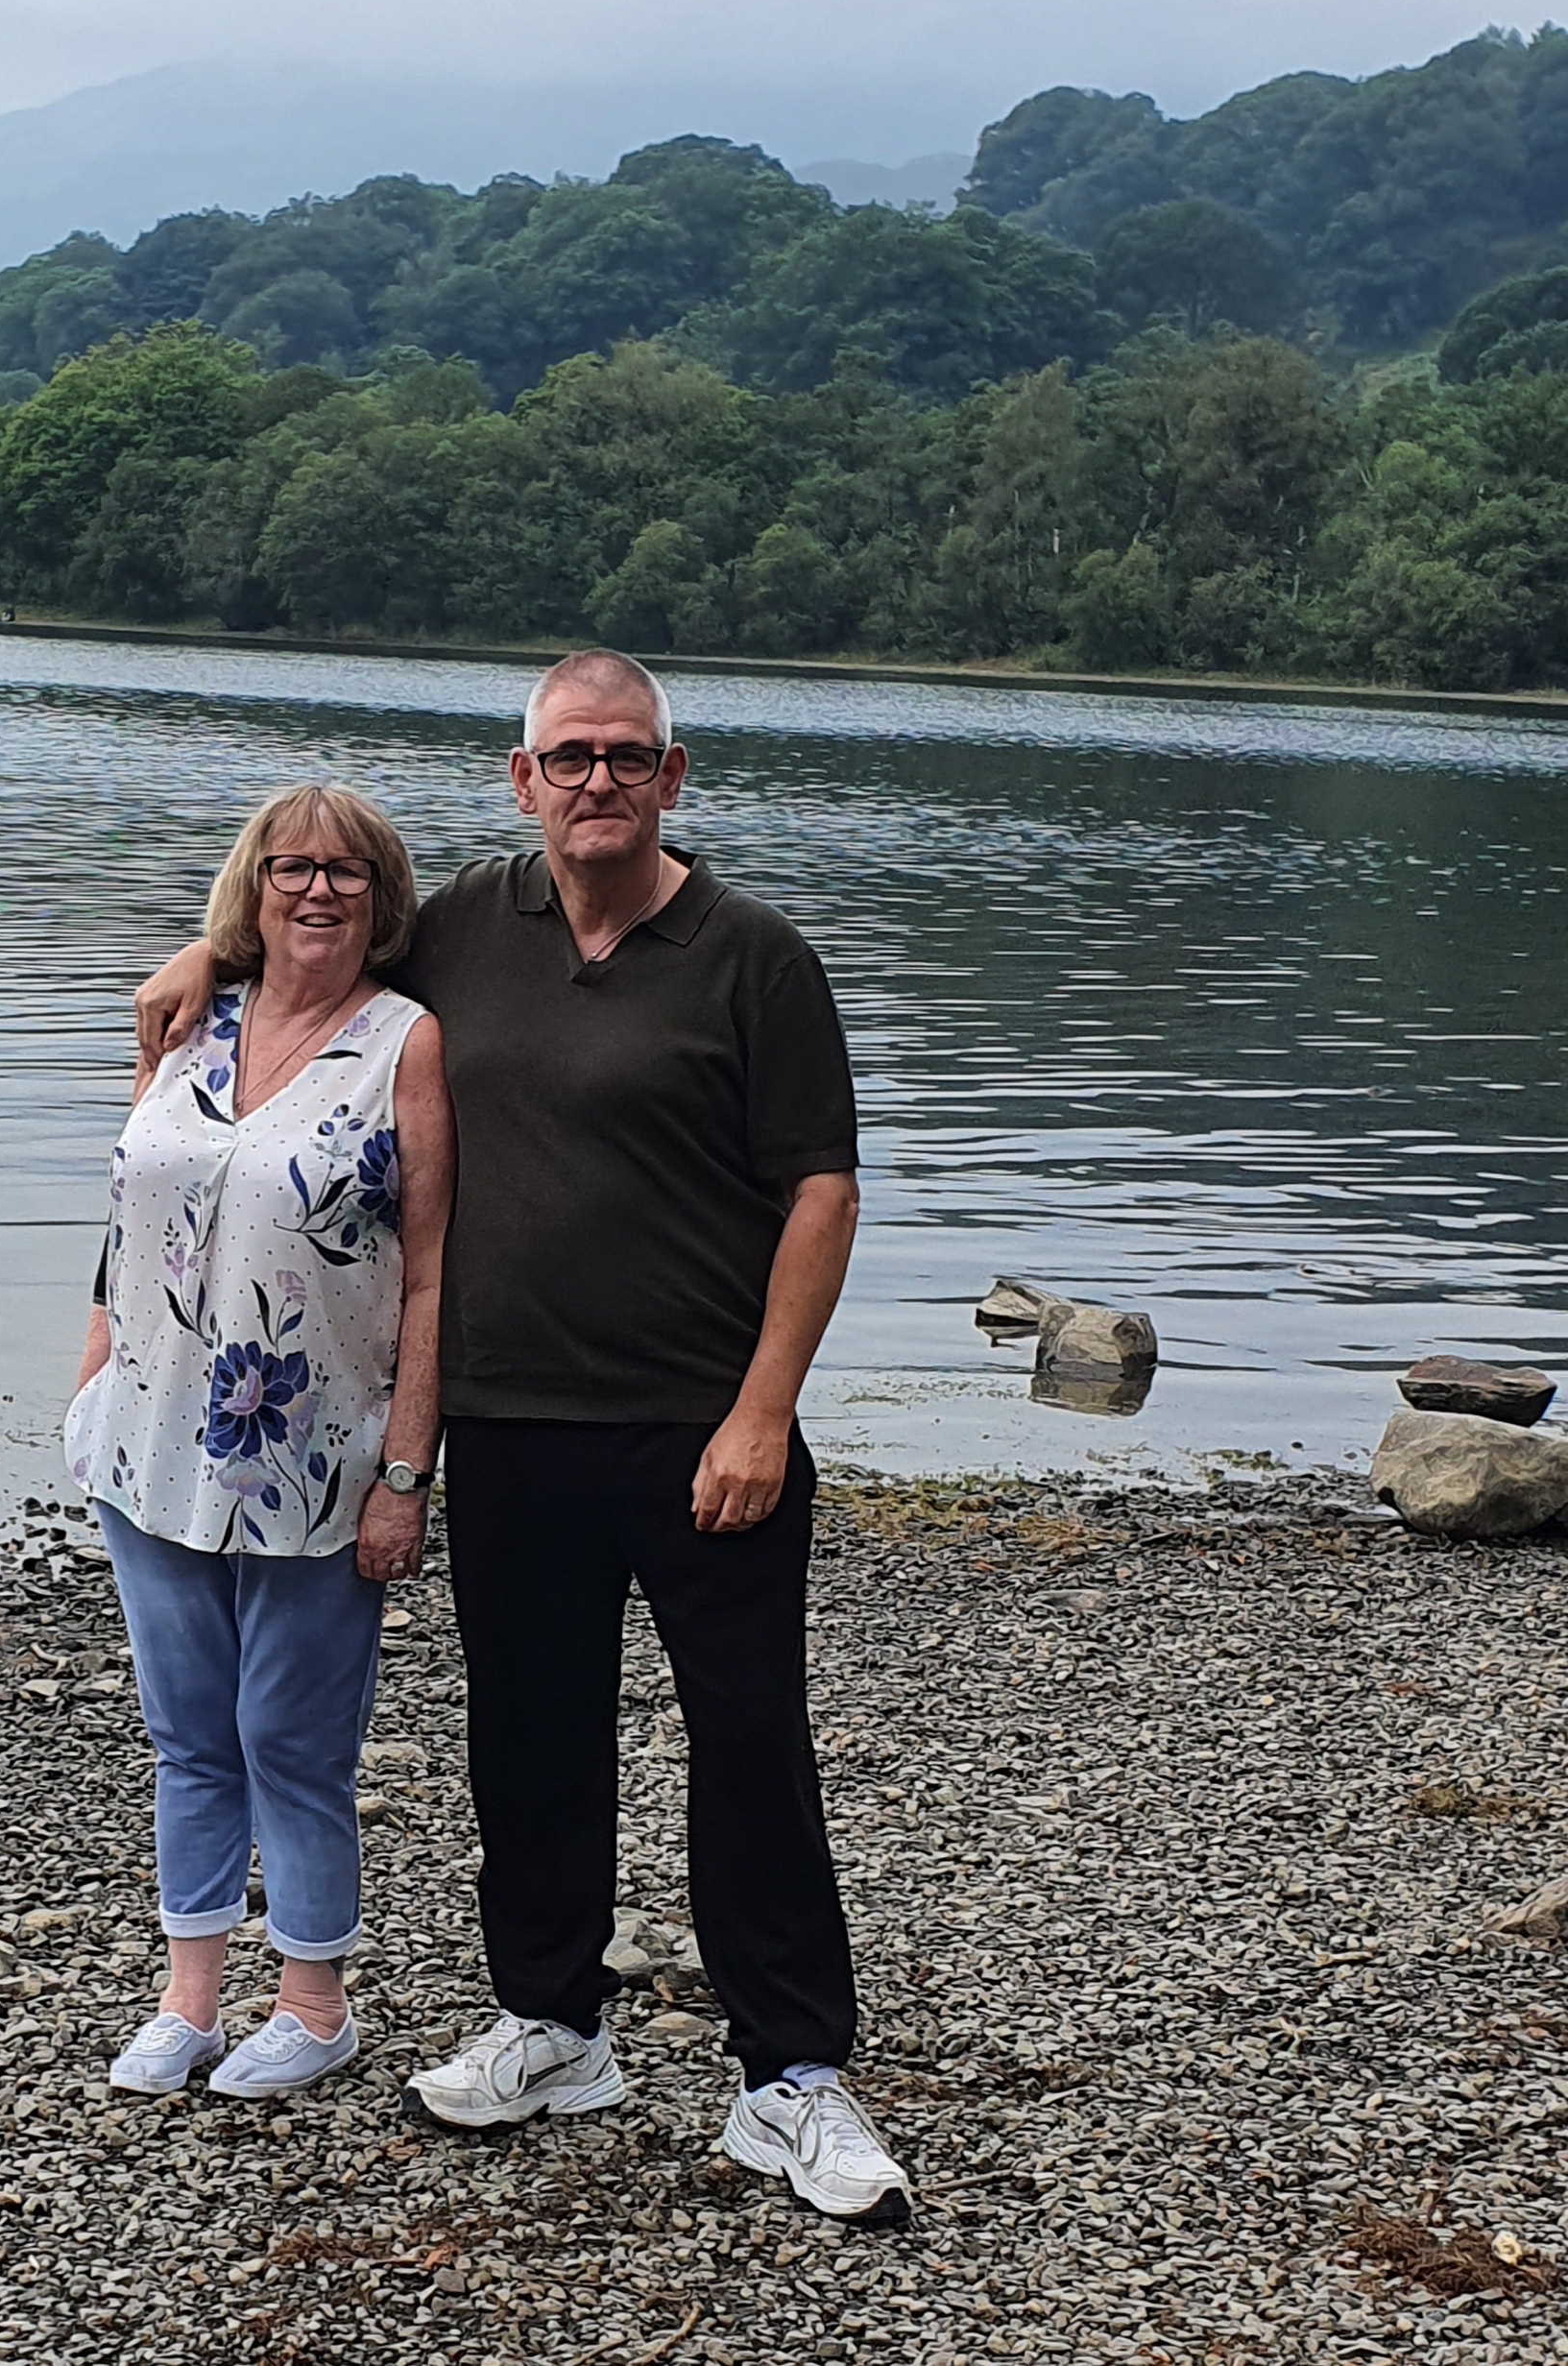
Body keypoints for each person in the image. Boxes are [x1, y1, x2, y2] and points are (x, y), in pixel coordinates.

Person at [135, 653, 908, 2223]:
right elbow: (316, 928)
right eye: (569, 756)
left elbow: (821, 1193)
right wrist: (200, 954)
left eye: (625, 756)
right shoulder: (466, 928)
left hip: (703, 1430)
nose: (596, 781)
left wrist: (764, 1409)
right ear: (522, 777)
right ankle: (554, 2023)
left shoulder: (755, 957)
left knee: (747, 1744)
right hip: (510, 1420)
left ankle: (790, 2074)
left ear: (670, 777)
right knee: (530, 1740)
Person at [71, 782, 453, 2100]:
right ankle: (187, 2002)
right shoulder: (188, 1020)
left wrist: (405, 1472)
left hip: (312, 1460)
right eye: (291, 867)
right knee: (186, 1732)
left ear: (383, 898)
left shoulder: (405, 1044)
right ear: (255, 885)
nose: (317, 889)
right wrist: (91, 1385)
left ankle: (312, 2005)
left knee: (291, 1738)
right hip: (147, 1443)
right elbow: (127, 1209)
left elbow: (430, 1274)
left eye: (347, 871)